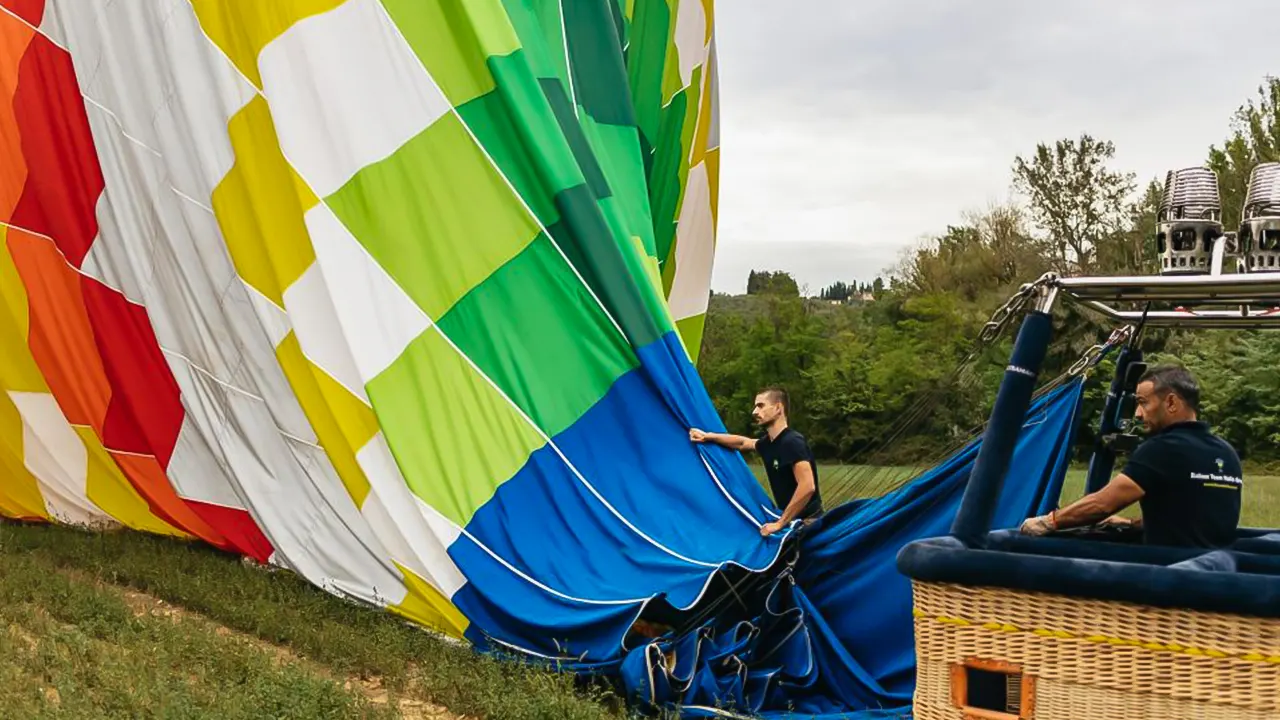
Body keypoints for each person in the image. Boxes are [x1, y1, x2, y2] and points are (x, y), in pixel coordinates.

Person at [1020, 364, 1242, 548]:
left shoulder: (1161, 449)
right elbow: (1195, 521)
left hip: (1171, 575)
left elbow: (1102, 505)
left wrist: (1049, 521)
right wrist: (1132, 524)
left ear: (1171, 403)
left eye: (1143, 402)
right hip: (1218, 568)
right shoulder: (1226, 452)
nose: (1137, 413)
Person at [689, 387, 823, 536]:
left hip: (809, 523)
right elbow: (742, 443)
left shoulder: (792, 442)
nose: (754, 412)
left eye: (761, 406)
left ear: (778, 408)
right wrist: (708, 436)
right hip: (791, 521)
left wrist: (779, 524)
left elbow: (807, 486)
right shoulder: (768, 444)